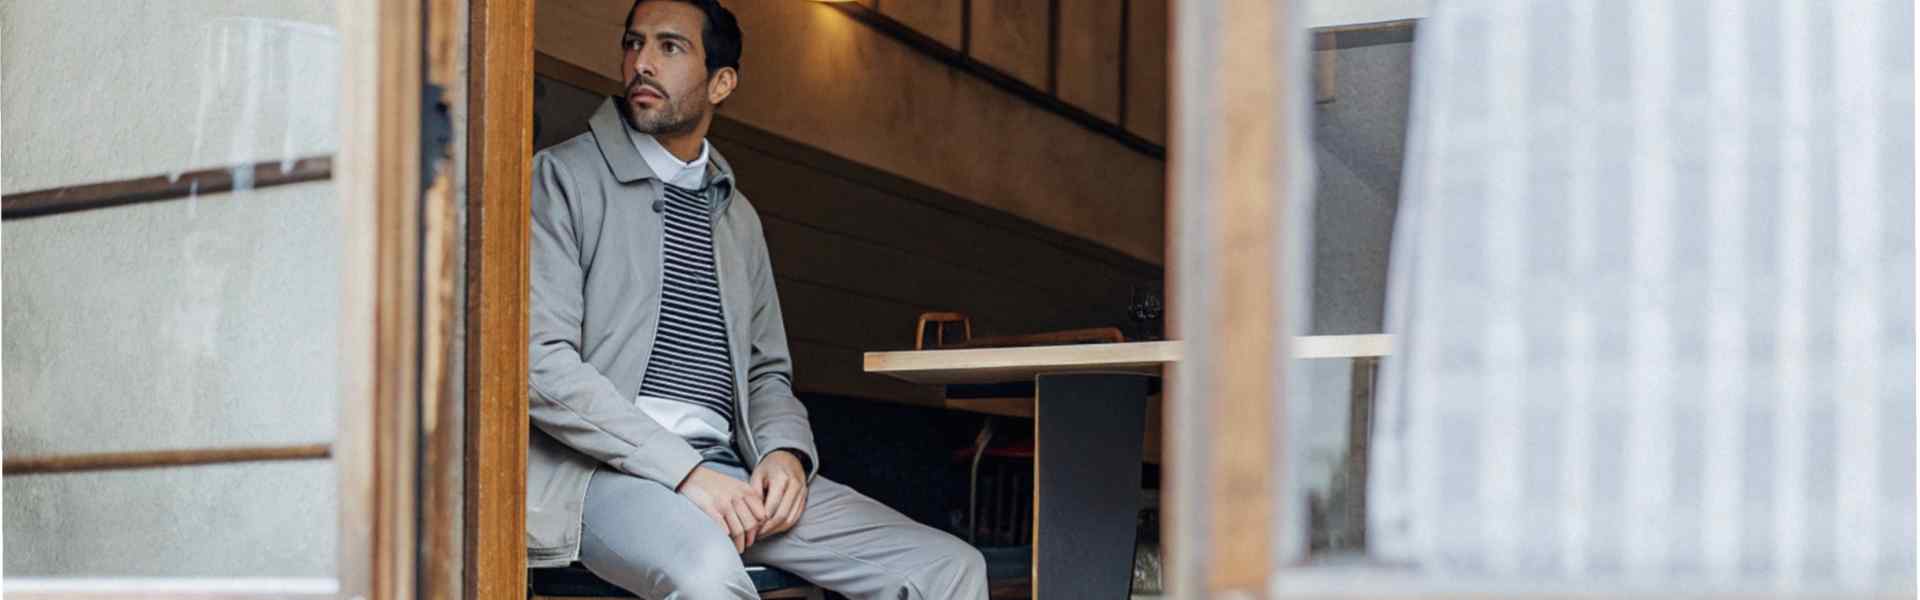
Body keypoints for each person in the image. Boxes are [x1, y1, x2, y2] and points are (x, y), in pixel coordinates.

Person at [525, 0, 989, 597]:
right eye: (633, 43)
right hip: (603, 474)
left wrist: (785, 454)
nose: (642, 62)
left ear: (722, 82)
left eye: (670, 47)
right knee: (707, 578)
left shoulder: (736, 218)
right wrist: (681, 469)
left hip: (732, 473)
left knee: (947, 568)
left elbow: (768, 371)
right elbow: (539, 364)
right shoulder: (563, 179)